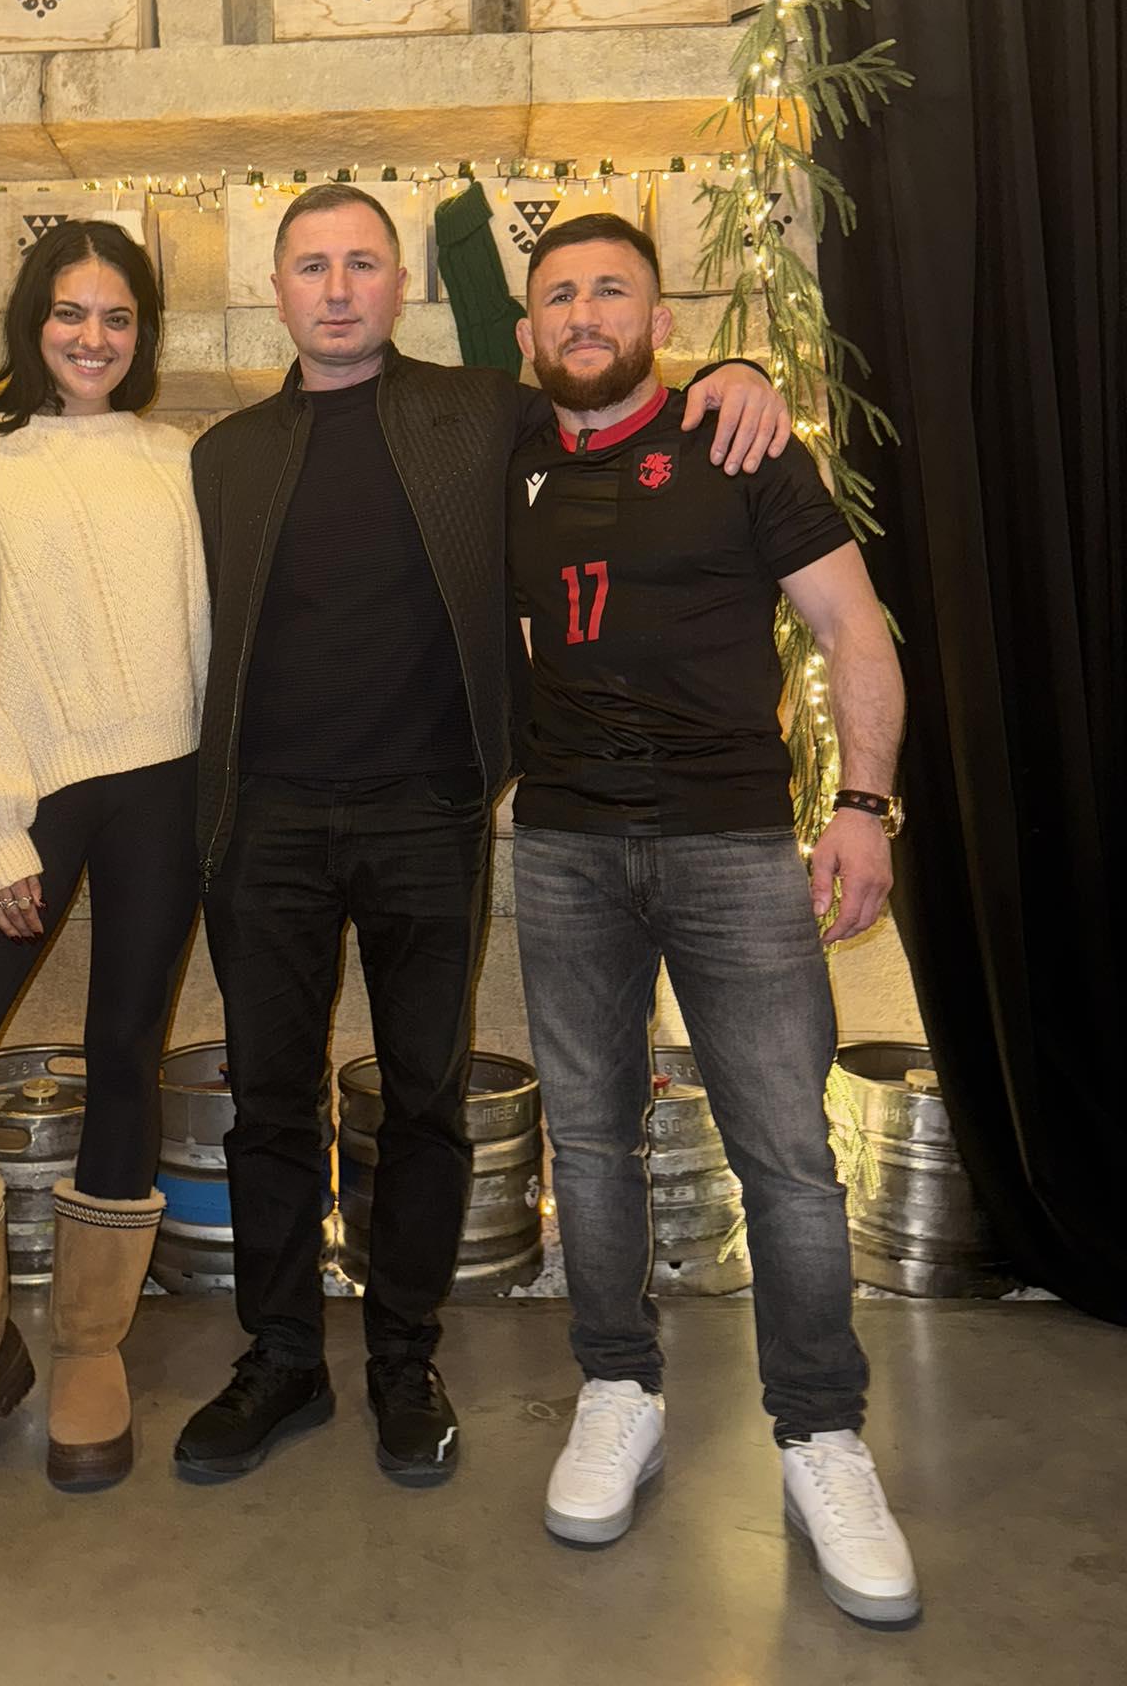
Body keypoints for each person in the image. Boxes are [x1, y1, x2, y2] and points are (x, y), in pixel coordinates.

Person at [172, 182, 790, 1488]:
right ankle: (281, 1357)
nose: (338, 289)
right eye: (311, 267)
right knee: (270, 1102)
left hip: (429, 811)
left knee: (426, 1100)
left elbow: (610, 393)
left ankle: (404, 1358)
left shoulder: (483, 413)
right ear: (277, 291)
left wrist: (732, 376)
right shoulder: (223, 455)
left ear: (399, 286)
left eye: (362, 264)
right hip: (267, 820)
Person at [507, 211, 917, 1624]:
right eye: (559, 295)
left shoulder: (740, 442)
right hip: (563, 845)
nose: (584, 313)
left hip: (735, 842)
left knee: (788, 1157)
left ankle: (821, 1434)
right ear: (527, 332)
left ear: (660, 322)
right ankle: (618, 1390)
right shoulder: (509, 453)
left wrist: (863, 805)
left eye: (612, 290)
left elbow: (855, 629)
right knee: (588, 1143)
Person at [0, 220, 208, 1514]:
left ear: (143, 333)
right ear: (33, 320)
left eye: (118, 317)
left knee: (125, 1048)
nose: (92, 337)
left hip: (164, 785)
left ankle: (89, 1341)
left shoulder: (178, 459)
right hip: (24, 789)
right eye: (71, 312)